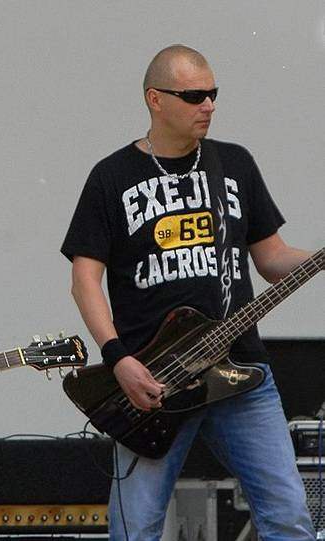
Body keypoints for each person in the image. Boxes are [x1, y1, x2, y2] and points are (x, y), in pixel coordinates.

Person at [61, 44, 317, 540]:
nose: (209, 105)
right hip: (153, 380)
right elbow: (83, 280)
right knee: (135, 529)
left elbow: (272, 259)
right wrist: (118, 358)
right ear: (155, 99)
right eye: (195, 95)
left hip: (239, 369)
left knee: (289, 517)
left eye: (213, 93)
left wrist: (319, 258)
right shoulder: (111, 177)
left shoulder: (234, 164)